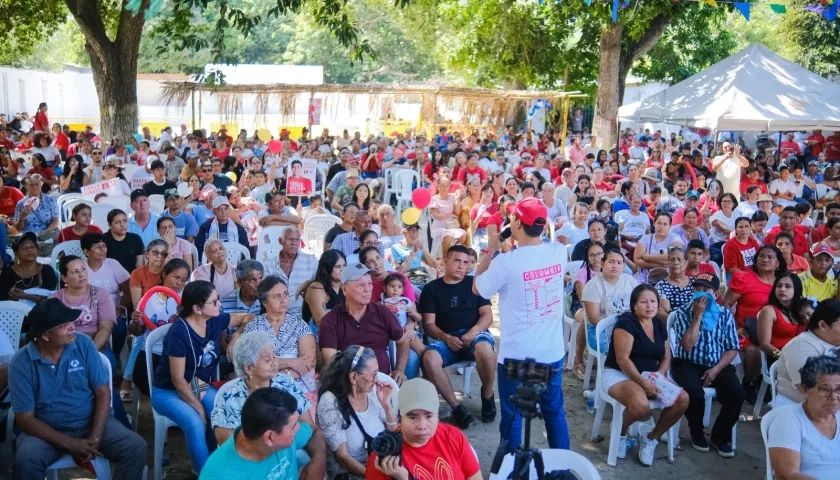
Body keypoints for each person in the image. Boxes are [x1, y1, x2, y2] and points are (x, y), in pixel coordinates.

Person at [10, 299, 147, 480]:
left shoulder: (83, 344)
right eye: (64, 325)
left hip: (91, 422)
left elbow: (103, 392)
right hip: (47, 432)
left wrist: (95, 437)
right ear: (45, 335)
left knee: (135, 446)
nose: (72, 327)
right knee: (26, 459)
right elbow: (25, 419)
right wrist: (70, 443)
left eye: (71, 322)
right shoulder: (21, 362)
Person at [474, 197, 570, 451]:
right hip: (551, 354)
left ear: (516, 222)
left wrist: (490, 250)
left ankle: (513, 469)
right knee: (553, 412)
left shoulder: (506, 262)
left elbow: (477, 287)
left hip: (518, 358)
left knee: (514, 417)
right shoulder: (559, 252)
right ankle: (561, 469)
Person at [151, 280, 253, 472]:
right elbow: (178, 379)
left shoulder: (213, 319)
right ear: (197, 308)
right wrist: (198, 407)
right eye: (214, 302)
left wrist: (237, 335)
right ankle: (206, 474)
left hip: (197, 384)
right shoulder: (179, 332)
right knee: (195, 422)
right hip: (168, 390)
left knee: (222, 411)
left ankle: (219, 465)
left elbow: (248, 317)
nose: (219, 305)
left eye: (218, 300)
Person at [602, 284, 689, 465]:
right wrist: (644, 383)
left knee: (683, 399)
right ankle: (620, 431)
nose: (649, 306)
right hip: (619, 374)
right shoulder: (626, 323)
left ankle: (651, 437)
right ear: (634, 305)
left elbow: (666, 357)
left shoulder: (658, 324)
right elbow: (622, 360)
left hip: (648, 376)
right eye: (643, 302)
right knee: (641, 405)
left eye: (653, 301)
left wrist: (658, 376)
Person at [419, 245, 496, 429]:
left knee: (485, 349)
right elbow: (429, 324)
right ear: (445, 261)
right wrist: (446, 338)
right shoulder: (431, 289)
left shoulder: (475, 284)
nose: (462, 266)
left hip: (475, 335)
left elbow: (488, 315)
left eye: (466, 262)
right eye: (457, 261)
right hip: (446, 339)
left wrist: (473, 331)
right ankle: (456, 407)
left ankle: (487, 394)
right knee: (429, 357)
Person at [670, 273, 744, 457]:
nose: (701, 295)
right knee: (694, 392)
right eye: (697, 290)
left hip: (717, 363)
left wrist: (716, 369)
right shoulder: (682, 313)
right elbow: (687, 346)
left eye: (706, 291)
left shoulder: (725, 314)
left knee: (736, 393)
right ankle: (696, 432)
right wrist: (697, 316)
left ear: (716, 294)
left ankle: (719, 436)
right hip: (688, 362)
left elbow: (732, 348)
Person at [366, 378, 483, 480]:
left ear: (437, 415)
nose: (422, 426)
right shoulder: (384, 455)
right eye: (412, 417)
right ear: (400, 417)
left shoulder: (453, 436)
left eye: (429, 416)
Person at [211, 331, 315, 445]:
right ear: (249, 368)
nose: (275, 363)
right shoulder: (231, 397)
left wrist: (317, 458)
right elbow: (224, 442)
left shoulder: (286, 383)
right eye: (267, 360)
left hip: (288, 449)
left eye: (274, 356)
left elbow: (310, 427)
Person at [201, 386, 326, 480]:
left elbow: (314, 431)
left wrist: (319, 460)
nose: (299, 428)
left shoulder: (272, 430)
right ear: (270, 437)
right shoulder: (218, 475)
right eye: (293, 426)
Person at [319, 263, 411, 384]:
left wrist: (399, 369)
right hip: (348, 384)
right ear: (344, 289)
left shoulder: (382, 311)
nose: (367, 290)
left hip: (382, 381)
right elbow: (331, 362)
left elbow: (403, 342)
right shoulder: (330, 320)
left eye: (369, 284)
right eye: (361, 285)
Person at [317, 345, 397, 480]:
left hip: (383, 463)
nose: (377, 379)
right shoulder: (330, 402)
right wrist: (374, 475)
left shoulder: (371, 391)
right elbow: (342, 457)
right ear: (354, 377)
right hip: (354, 472)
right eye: (374, 374)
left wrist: (386, 406)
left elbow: (394, 434)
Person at [721, 245, 786, 404]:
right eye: (761, 256)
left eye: (770, 257)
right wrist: (735, 327)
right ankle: (750, 381)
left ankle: (777, 386)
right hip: (749, 331)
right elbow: (725, 304)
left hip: (776, 330)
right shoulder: (745, 278)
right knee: (753, 350)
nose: (765, 259)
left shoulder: (783, 282)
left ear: (778, 263)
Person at [767, 355, 840, 480]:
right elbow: (787, 475)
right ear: (805, 390)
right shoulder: (788, 420)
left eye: (839, 389)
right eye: (825, 389)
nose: (834, 396)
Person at [237, 276, 316, 376]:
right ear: (265, 302)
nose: (283, 300)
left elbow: (309, 363)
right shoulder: (254, 327)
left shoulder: (299, 325)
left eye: (285, 294)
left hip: (295, 383)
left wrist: (282, 376)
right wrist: (290, 362)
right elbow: (252, 363)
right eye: (277, 296)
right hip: (262, 385)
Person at [777, 300, 840, 405]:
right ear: (823, 325)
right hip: (802, 407)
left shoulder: (832, 341)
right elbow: (809, 390)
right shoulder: (801, 346)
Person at [262, 228, 318, 318]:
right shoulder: (268, 264)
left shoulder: (311, 261)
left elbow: (320, 284)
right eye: (290, 239)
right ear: (281, 241)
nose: (294, 243)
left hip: (302, 314)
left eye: (297, 240)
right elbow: (264, 293)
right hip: (275, 314)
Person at [757, 272, 807, 364]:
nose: (782, 289)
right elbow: (764, 344)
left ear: (796, 290)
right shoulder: (769, 310)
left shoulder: (801, 310)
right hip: (777, 358)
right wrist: (783, 357)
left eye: (788, 286)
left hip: (801, 356)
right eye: (779, 286)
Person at [0, 231, 58, 302]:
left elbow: (50, 297)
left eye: (32, 247)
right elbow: (2, 299)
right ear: (16, 253)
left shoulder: (47, 270)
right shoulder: (7, 272)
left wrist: (26, 296)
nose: (29, 250)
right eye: (24, 248)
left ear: (38, 251)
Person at [302, 250, 346, 337]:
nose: (343, 269)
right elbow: (322, 323)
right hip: (318, 341)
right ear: (326, 269)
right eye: (338, 266)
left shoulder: (345, 285)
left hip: (342, 335)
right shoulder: (317, 288)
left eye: (344, 265)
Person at [634, 212, 683, 284]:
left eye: (665, 224)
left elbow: (675, 257)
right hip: (646, 277)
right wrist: (659, 265)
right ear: (654, 223)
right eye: (659, 223)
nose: (661, 227)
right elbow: (637, 260)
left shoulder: (675, 238)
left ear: (670, 226)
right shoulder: (645, 239)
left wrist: (647, 257)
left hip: (669, 277)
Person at [429, 177, 467, 257]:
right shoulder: (434, 199)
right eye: (442, 185)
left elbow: (457, 213)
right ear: (438, 186)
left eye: (446, 186)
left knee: (463, 235)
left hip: (451, 225)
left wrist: (457, 200)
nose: (444, 188)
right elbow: (436, 215)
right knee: (448, 237)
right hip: (439, 226)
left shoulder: (453, 197)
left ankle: (454, 255)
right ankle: (445, 258)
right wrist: (449, 215)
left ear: (449, 187)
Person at [14, 174, 58, 238]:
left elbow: (55, 220)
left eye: (37, 184)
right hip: (29, 236)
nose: (34, 187)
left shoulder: (50, 200)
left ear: (41, 185)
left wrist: (45, 232)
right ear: (26, 187)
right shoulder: (21, 204)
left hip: (47, 233)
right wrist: (22, 217)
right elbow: (18, 228)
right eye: (31, 185)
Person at [103, 208, 146, 274]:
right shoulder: (103, 240)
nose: (122, 225)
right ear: (110, 225)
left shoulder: (135, 239)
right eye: (118, 222)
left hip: (132, 279)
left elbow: (139, 266)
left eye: (125, 221)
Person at [129, 238, 169, 308]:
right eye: (155, 252)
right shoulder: (137, 273)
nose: (159, 256)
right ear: (147, 254)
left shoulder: (170, 273)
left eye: (163, 254)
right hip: (144, 312)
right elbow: (137, 305)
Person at [656, 247, 694, 314]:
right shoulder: (661, 286)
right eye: (672, 260)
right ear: (668, 263)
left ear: (686, 263)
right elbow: (663, 311)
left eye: (679, 260)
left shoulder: (694, 282)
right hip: (672, 321)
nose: (676, 262)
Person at [615, 193, 650, 257]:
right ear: (629, 202)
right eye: (634, 202)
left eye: (638, 202)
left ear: (641, 204)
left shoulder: (644, 216)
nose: (637, 204)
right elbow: (618, 232)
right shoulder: (622, 214)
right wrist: (629, 237)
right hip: (626, 241)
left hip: (641, 242)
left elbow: (648, 233)